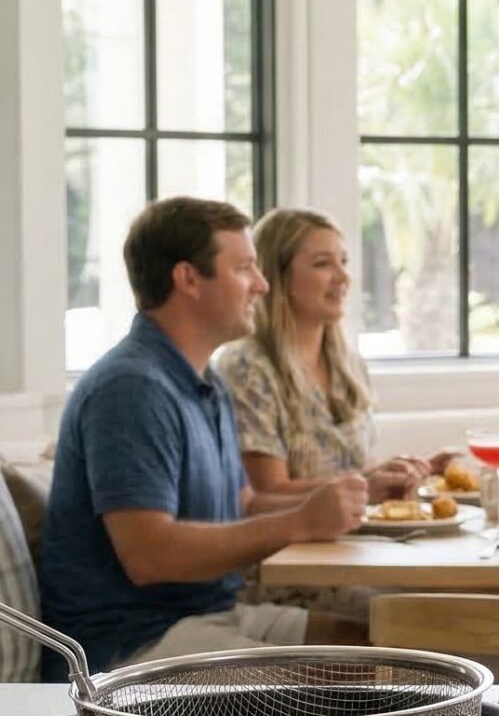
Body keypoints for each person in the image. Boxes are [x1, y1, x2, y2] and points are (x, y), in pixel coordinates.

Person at [39, 197, 367, 679]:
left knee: (380, 647)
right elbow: (149, 555)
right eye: (244, 269)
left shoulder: (204, 382)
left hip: (209, 616)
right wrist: (299, 523)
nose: (260, 285)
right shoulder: (131, 388)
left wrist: (337, 498)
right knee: (356, 686)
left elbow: (246, 503)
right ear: (188, 279)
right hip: (130, 647)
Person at [214, 207, 453, 504]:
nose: (343, 277)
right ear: (279, 277)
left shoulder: (349, 365)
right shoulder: (247, 369)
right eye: (322, 264)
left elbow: (354, 473)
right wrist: (366, 487)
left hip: (355, 542)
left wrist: (409, 471)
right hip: (290, 548)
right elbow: (264, 493)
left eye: (343, 262)